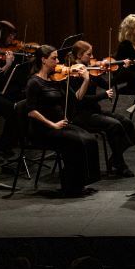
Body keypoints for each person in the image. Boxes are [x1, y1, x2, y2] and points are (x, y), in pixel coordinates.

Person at [24, 45, 102, 197]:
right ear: (43, 60)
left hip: (60, 125)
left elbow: (77, 98)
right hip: (43, 130)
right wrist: (53, 124)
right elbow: (31, 111)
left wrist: (86, 80)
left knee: (89, 139)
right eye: (54, 58)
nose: (58, 61)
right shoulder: (34, 82)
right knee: (75, 142)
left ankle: (80, 183)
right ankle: (70, 187)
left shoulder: (57, 79)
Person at [65, 41, 135, 177]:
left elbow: (109, 83)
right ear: (79, 55)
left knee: (127, 123)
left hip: (94, 111)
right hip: (80, 115)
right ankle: (120, 163)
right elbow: (79, 100)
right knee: (114, 125)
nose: (92, 57)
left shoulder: (90, 70)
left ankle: (115, 158)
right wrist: (102, 96)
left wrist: (124, 69)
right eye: (89, 54)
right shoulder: (72, 74)